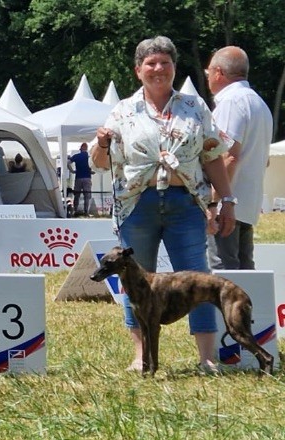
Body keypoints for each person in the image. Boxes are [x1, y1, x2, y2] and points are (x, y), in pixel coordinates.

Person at [90, 36, 238, 374]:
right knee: (134, 281)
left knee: (198, 279)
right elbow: (99, 160)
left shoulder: (195, 107)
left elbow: (214, 156)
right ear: (138, 70)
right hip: (136, 204)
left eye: (165, 62)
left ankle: (207, 356)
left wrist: (226, 200)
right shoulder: (123, 110)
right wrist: (100, 143)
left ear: (174, 67)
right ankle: (141, 355)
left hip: (185, 203)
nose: (158, 69)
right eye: (151, 63)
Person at [205, 46, 273, 270]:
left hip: (229, 202)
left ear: (218, 72)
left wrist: (216, 201)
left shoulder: (231, 102)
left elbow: (227, 156)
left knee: (223, 272)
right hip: (247, 203)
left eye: (208, 74)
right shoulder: (259, 104)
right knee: (244, 272)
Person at [68, 143, 93, 216]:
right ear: (87, 148)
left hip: (78, 177)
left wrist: (72, 171)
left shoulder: (76, 156)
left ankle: (75, 210)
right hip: (87, 177)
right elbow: (93, 165)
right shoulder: (89, 157)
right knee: (87, 196)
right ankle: (86, 212)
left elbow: (68, 163)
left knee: (77, 195)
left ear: (80, 149)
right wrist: (91, 171)